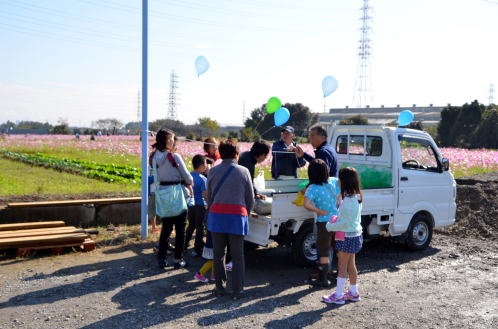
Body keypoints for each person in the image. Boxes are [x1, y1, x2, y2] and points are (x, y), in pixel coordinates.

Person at [206, 140, 254, 300]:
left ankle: (219, 288)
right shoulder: (244, 171)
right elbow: (250, 199)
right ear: (236, 154)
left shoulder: (213, 171)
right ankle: (238, 291)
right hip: (236, 218)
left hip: (217, 216)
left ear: (221, 153)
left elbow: (210, 195)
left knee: (218, 254)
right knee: (238, 256)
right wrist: (245, 213)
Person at [151, 129, 193, 270]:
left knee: (166, 228)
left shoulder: (154, 156)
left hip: (162, 194)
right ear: (169, 140)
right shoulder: (174, 156)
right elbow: (189, 178)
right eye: (173, 138)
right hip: (176, 193)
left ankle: (161, 259)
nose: (174, 141)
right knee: (180, 229)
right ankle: (178, 259)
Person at [322, 167, 363, 304]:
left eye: (339, 178)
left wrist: (330, 226)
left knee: (342, 265)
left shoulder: (347, 202)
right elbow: (351, 220)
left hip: (347, 236)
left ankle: (338, 295)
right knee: (351, 264)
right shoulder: (357, 197)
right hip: (356, 235)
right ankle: (353, 292)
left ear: (343, 181)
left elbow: (344, 224)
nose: (338, 180)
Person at [303, 159, 341, 287]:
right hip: (337, 221)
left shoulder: (312, 188)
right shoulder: (334, 181)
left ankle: (323, 279)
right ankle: (340, 275)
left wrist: (319, 211)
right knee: (339, 247)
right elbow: (341, 195)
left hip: (324, 222)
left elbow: (306, 204)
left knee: (323, 250)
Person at [184, 154, 208, 257]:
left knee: (191, 225)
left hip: (190, 205)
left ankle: (184, 245)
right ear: (202, 165)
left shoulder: (189, 175)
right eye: (206, 163)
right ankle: (197, 248)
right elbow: (205, 195)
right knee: (199, 227)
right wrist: (209, 204)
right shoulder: (202, 178)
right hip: (200, 206)